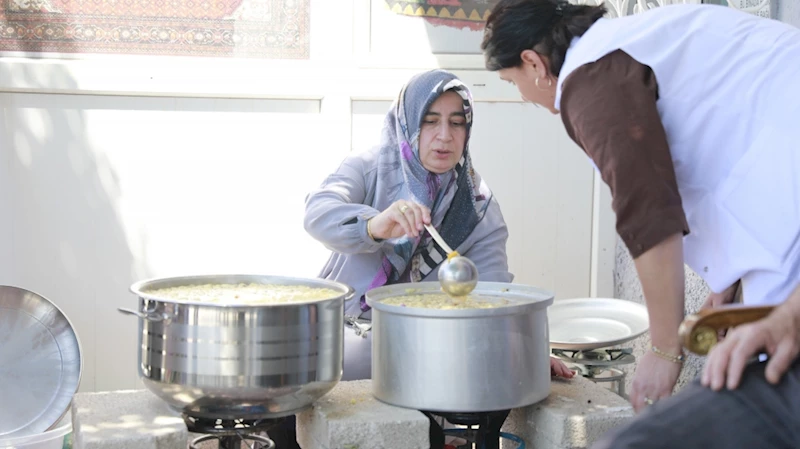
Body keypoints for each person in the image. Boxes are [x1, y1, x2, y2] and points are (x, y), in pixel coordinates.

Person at [480, 0, 800, 445]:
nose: (521, 94)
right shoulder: (627, 44)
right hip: (783, 187)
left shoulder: (590, 80)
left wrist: (664, 349)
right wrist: (727, 283)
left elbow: (649, 211)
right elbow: (719, 149)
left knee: (770, 382)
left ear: (533, 63)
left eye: (512, 81)